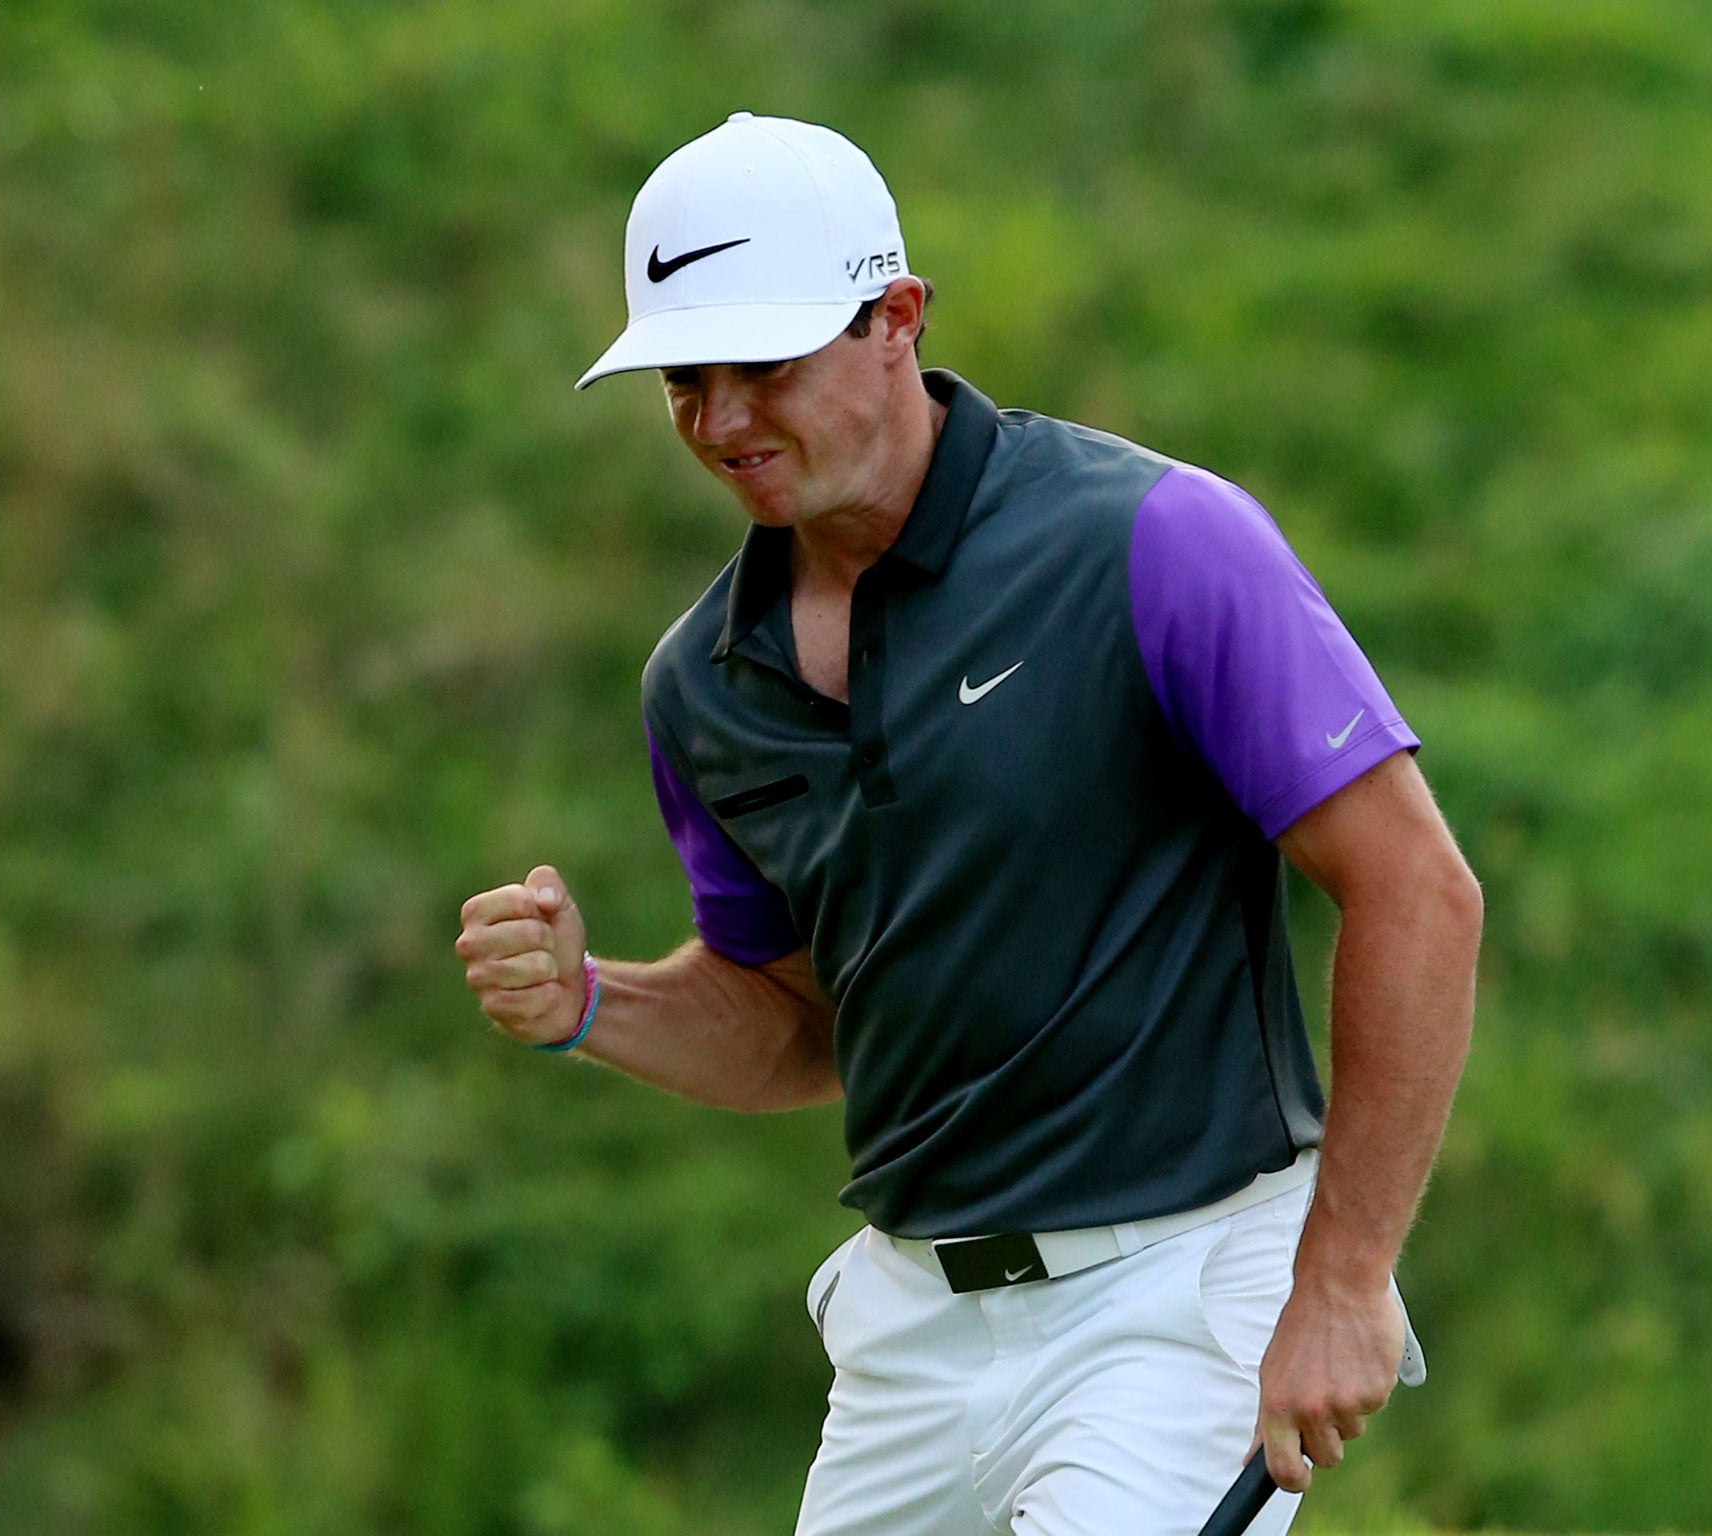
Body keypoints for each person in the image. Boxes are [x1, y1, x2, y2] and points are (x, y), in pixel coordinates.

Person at [454, 112, 1482, 1536]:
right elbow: (799, 1025)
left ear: (897, 318)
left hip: (1176, 1302)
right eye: (685, 379)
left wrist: (1344, 1278)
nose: (722, 420)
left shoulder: (1153, 543)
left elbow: (1417, 890)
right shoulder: (703, 687)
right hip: (909, 1340)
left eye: (765, 365)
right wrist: (585, 1002)